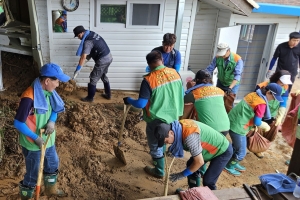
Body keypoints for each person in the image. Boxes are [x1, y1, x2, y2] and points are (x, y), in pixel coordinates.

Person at [123, 51, 183, 178]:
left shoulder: (149, 80)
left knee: (155, 143)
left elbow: (140, 104)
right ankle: (161, 156)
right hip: (174, 115)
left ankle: (159, 170)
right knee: (166, 136)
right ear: (162, 59)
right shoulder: (175, 73)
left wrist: (128, 100)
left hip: (156, 119)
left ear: (149, 64)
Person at [13, 63, 70, 199]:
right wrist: (36, 138)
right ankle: (26, 196)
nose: (58, 84)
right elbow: (18, 123)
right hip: (33, 143)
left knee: (52, 163)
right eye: (57, 81)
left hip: (48, 139)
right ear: (47, 81)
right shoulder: (29, 98)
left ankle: (51, 190)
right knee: (33, 173)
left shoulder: (50, 93)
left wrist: (52, 121)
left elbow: (55, 110)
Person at [154, 119, 232, 190]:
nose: (167, 143)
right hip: (208, 149)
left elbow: (199, 162)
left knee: (208, 181)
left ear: (171, 132)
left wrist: (182, 174)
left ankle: (212, 196)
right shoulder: (178, 126)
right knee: (190, 164)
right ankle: (194, 191)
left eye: (166, 141)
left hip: (222, 151)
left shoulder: (190, 138)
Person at [225, 83, 283, 176]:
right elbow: (257, 121)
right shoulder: (261, 103)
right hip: (239, 127)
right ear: (268, 92)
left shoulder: (253, 94)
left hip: (233, 121)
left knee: (236, 147)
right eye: (273, 97)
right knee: (241, 153)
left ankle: (231, 162)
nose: (273, 100)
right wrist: (265, 126)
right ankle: (229, 166)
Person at [254, 70, 292, 158]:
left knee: (267, 132)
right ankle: (253, 146)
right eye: (282, 82)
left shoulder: (285, 88)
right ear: (277, 79)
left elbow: (283, 103)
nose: (283, 84)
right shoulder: (263, 86)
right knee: (256, 130)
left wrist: (280, 116)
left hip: (271, 114)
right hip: (259, 113)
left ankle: (260, 148)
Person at [184, 69, 230, 135]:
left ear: (196, 80)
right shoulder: (220, 91)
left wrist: (189, 88)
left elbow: (182, 101)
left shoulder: (195, 93)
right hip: (226, 127)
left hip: (209, 130)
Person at [73, 25, 113, 101]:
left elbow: (83, 56)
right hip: (109, 56)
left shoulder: (88, 41)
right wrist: (83, 63)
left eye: (78, 35)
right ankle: (108, 95)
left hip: (103, 59)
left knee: (93, 78)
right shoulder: (91, 33)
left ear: (82, 32)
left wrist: (78, 69)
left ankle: (90, 98)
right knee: (102, 75)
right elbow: (90, 52)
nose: (78, 38)